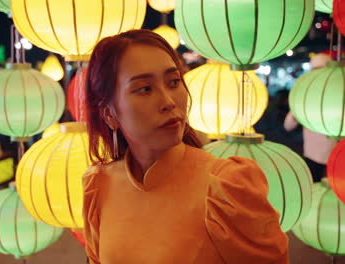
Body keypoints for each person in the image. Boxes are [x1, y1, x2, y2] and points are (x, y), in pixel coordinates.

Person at [83, 29, 288, 264]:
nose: (169, 102)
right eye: (145, 89)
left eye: (173, 82)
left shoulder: (224, 186)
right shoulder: (99, 184)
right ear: (109, 113)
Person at [284, 53, 338, 182]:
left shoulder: (338, 91)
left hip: (336, 154)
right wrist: (297, 114)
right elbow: (288, 125)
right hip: (312, 155)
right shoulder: (305, 94)